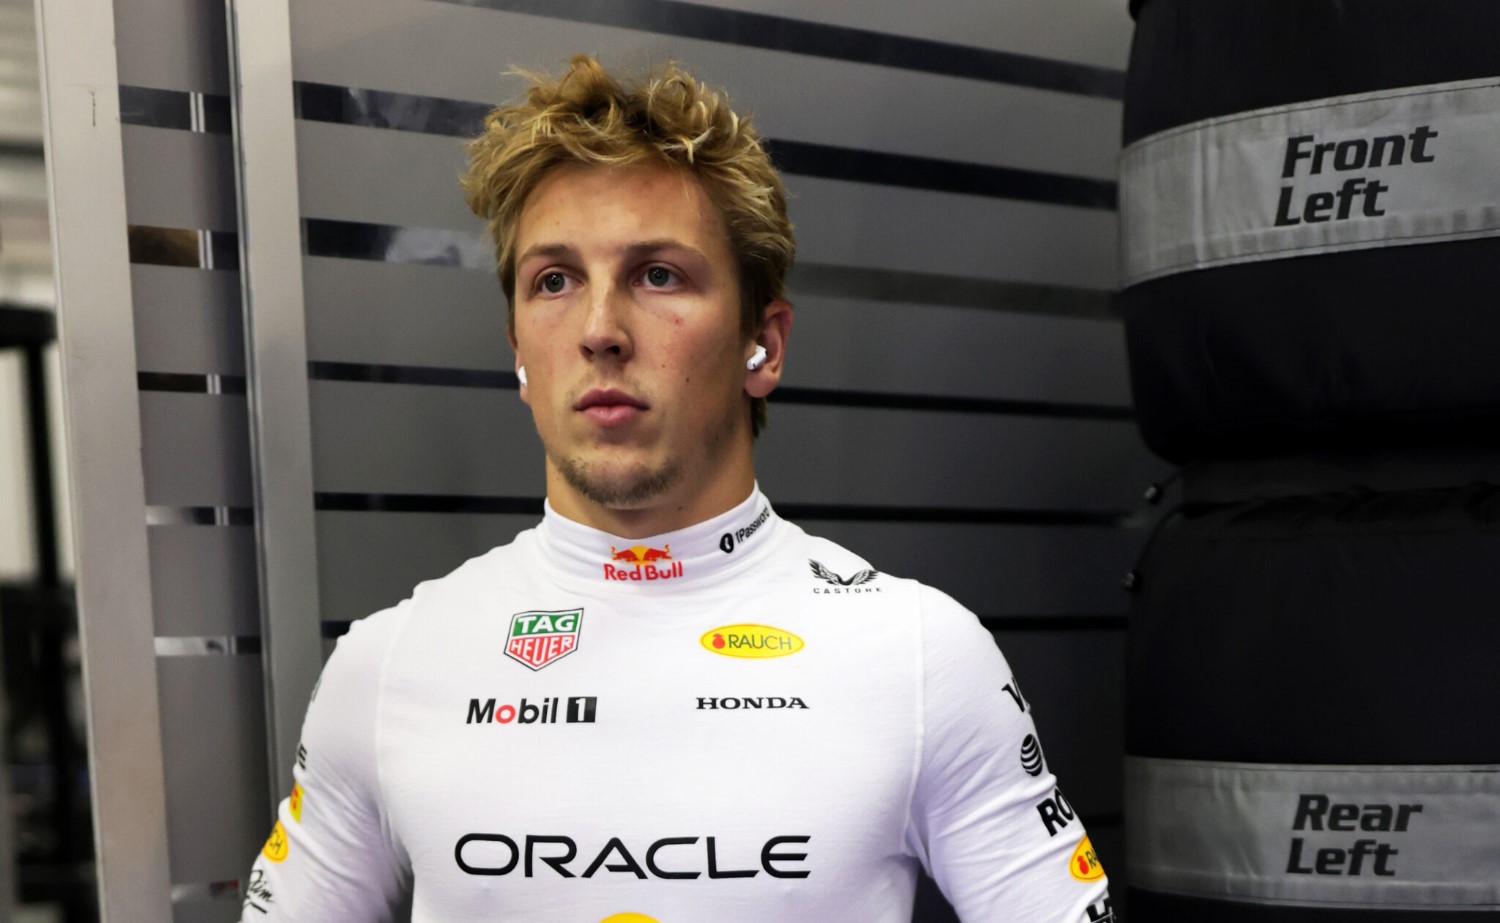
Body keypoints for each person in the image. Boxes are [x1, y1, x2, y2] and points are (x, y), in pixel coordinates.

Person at [240, 55, 1112, 923]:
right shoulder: (389, 665)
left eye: (658, 274)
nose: (599, 330)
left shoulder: (921, 656)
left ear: (761, 345)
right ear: (517, 351)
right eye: (555, 280)